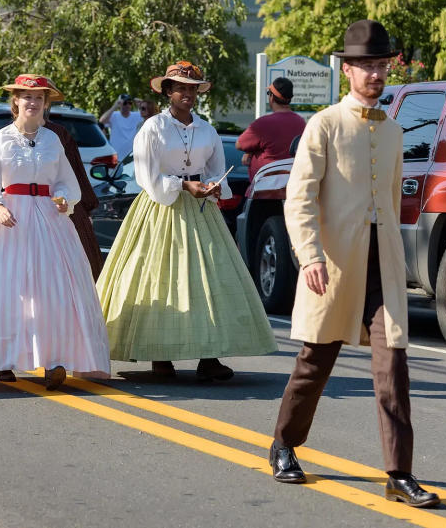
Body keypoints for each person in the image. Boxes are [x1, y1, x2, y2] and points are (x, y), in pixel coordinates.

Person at [267, 20, 439, 508]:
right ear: (347, 70)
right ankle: (284, 444)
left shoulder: (395, 132)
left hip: (382, 269)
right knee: (314, 363)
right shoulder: (323, 124)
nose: (375, 74)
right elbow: (298, 197)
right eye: (365, 65)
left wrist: (398, 263)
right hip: (334, 265)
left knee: (394, 368)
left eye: (381, 65)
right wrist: (309, 255)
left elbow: (389, 200)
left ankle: (399, 472)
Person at [0, 74, 111, 389]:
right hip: (9, 218)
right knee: (6, 291)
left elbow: (67, 180)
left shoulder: (53, 140)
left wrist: (65, 197)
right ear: (16, 102)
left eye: (39, 98)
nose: (33, 102)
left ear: (44, 103)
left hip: (49, 218)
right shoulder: (1, 139)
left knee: (53, 291)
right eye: (27, 97)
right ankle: (2, 358)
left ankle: (55, 360)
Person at [96, 61, 276, 381]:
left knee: (210, 279)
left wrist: (213, 186)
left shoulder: (207, 129)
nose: (188, 94)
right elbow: (147, 177)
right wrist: (182, 185)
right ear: (168, 92)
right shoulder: (153, 128)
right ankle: (160, 357)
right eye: (181, 88)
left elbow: (215, 169)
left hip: (201, 210)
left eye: (192, 88)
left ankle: (210, 355)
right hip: (161, 209)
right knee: (160, 278)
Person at [236, 77, 306, 182]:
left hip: (265, 190)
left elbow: (239, 144)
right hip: (291, 187)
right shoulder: (301, 122)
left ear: (272, 97)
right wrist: (250, 152)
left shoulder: (263, 124)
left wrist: (250, 151)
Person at [99, 93, 142, 160]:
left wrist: (142, 105)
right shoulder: (114, 115)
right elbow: (102, 121)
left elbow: (154, 118)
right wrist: (115, 106)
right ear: (120, 104)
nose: (127, 105)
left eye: (130, 103)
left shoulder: (137, 115)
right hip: (117, 157)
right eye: (125, 103)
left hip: (133, 157)